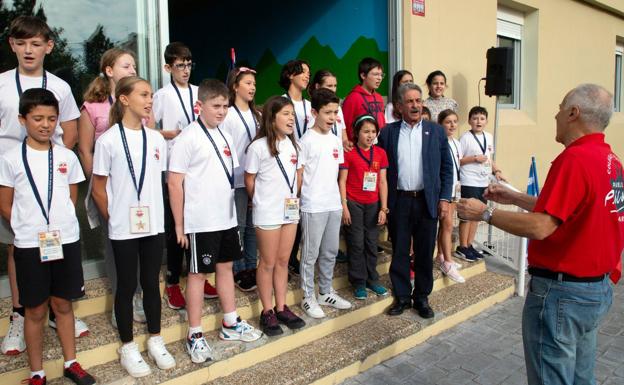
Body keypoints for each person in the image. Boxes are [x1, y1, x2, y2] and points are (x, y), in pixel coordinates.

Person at [457, 83, 624, 385]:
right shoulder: (610, 162)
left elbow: (542, 226)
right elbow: (573, 212)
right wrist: (517, 199)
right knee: (580, 377)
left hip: (563, 296)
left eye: (560, 108)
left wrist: (484, 213)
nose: (555, 115)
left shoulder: (574, 159)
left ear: (574, 113)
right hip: (594, 291)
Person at [0, 15, 85, 356]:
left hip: (51, 174)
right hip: (13, 177)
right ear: (12, 46)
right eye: (21, 43)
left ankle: (59, 310)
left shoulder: (61, 87)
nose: (28, 50)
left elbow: (72, 133)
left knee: (58, 245)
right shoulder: (2, 83)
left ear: (48, 46)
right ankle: (21, 314)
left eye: (36, 43)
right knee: (16, 247)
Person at [0, 89, 95, 385]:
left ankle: (71, 362)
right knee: (35, 309)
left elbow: (71, 195)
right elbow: (5, 203)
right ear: (22, 119)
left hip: (64, 240)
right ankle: (37, 373)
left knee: (63, 305)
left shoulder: (66, 156)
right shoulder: (11, 159)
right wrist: (26, 227)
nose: (45, 124)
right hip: (30, 244)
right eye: (37, 118)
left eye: (51, 119)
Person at [168, 79, 262, 364]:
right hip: (200, 222)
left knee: (225, 268)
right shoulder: (187, 138)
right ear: (200, 106)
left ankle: (230, 323)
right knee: (197, 275)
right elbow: (174, 183)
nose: (221, 112)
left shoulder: (225, 135)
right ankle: (194, 334)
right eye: (216, 106)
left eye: (225, 106)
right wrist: (179, 225)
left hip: (226, 218)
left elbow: (227, 178)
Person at [91, 76, 175, 377]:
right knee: (126, 287)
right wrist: (114, 219)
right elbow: (98, 187)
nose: (150, 100)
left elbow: (157, 183)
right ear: (124, 99)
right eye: (143, 94)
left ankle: (155, 338)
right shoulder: (108, 140)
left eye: (151, 94)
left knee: (152, 284)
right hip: (124, 228)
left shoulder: (155, 139)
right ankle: (127, 346)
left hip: (152, 226)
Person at [78, 47, 145, 328]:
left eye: (133, 67)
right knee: (115, 246)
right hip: (109, 188)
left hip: (138, 187)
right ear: (109, 70)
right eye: (126, 66)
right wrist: (99, 184)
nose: (132, 70)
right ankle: (122, 302)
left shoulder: (139, 104)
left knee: (141, 243)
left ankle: (139, 296)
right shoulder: (92, 107)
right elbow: (85, 149)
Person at [377, 83, 453, 318]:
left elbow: (447, 169)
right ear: (399, 106)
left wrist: (444, 198)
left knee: (423, 251)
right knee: (399, 250)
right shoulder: (388, 133)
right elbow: (380, 167)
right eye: (409, 101)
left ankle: (421, 297)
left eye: (418, 101)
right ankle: (401, 297)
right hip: (399, 201)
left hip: (426, 201)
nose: (415, 105)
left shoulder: (436, 131)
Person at [151, 42, 214, 309]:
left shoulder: (200, 93)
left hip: (198, 168)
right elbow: (149, 130)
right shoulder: (162, 95)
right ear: (168, 67)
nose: (186, 70)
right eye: (180, 65)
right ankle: (173, 282)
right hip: (174, 168)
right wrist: (172, 134)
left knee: (196, 225)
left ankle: (198, 276)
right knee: (176, 229)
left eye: (189, 64)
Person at [245, 96, 306, 336]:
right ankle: (267, 310)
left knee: (283, 261)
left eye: (293, 114)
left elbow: (298, 174)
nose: (292, 118)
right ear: (272, 118)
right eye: (286, 114)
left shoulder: (294, 145)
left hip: (289, 211)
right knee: (268, 262)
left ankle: (281, 307)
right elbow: (249, 179)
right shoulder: (258, 147)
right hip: (268, 212)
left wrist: (293, 196)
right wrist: (260, 201)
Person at [298, 88, 352, 318]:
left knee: (330, 252)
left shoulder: (334, 140)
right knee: (310, 254)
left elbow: (339, 175)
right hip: (312, 206)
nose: (332, 118)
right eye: (327, 113)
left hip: (333, 204)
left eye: (335, 113)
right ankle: (307, 296)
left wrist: (341, 202)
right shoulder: (304, 141)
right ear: (314, 112)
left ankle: (325, 291)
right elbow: (299, 176)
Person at [339, 114, 389, 299]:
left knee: (371, 243)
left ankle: (372, 279)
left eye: (373, 132)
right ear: (356, 133)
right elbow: (342, 181)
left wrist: (384, 208)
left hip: (373, 204)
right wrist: (344, 206)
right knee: (356, 243)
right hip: (353, 203)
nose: (370, 135)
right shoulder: (349, 153)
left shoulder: (380, 153)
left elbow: (383, 182)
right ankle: (359, 282)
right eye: (366, 131)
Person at [221, 66, 260, 293]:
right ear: (235, 86)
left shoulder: (258, 114)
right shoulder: (228, 115)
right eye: (247, 83)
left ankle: (250, 266)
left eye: (254, 84)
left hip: (255, 179)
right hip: (235, 180)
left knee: (252, 227)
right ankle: (238, 270)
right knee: (239, 225)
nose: (252, 87)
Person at [456, 106, 505, 262]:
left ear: (486, 121)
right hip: (469, 181)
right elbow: (458, 160)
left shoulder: (488, 137)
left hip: (483, 181)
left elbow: (489, 158)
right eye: (475, 118)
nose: (478, 121)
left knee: (478, 214)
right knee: (467, 214)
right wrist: (474, 158)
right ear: (470, 121)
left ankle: (470, 245)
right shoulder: (465, 138)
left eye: (482, 118)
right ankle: (462, 246)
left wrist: (497, 171)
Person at [280, 60, 314, 277]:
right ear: (291, 75)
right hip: (286, 164)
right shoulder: (280, 102)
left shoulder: (310, 106)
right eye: (303, 72)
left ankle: (297, 256)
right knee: (288, 209)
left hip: (307, 165)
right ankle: (287, 257)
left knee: (303, 210)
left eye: (309, 73)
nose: (307, 76)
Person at [435, 109, 465, 283]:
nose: (452, 125)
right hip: (443, 191)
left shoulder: (456, 142)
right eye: (448, 122)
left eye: (455, 121)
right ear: (440, 124)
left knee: (446, 225)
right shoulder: (438, 142)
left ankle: (441, 255)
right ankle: (448, 262)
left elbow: (456, 165)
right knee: (447, 226)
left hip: (454, 188)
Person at [342, 57, 386, 150]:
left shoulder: (379, 97)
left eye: (381, 75)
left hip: (379, 147)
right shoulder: (353, 98)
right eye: (375, 74)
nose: (379, 78)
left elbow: (382, 123)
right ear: (363, 75)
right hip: (360, 148)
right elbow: (345, 125)